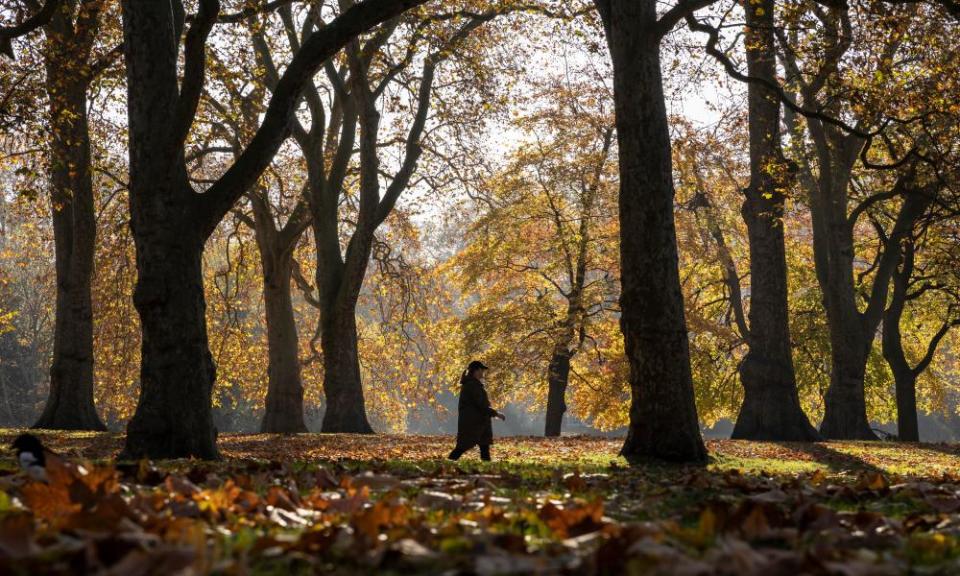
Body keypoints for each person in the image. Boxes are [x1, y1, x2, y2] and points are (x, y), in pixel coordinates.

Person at [448, 360, 505, 461]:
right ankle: (448, 463)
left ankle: (486, 468)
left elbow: (481, 405)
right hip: (473, 423)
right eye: (482, 370)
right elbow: (481, 405)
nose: (483, 372)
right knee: (462, 447)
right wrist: (496, 413)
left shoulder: (474, 384)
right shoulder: (472, 385)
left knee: (484, 447)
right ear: (476, 371)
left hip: (479, 423)